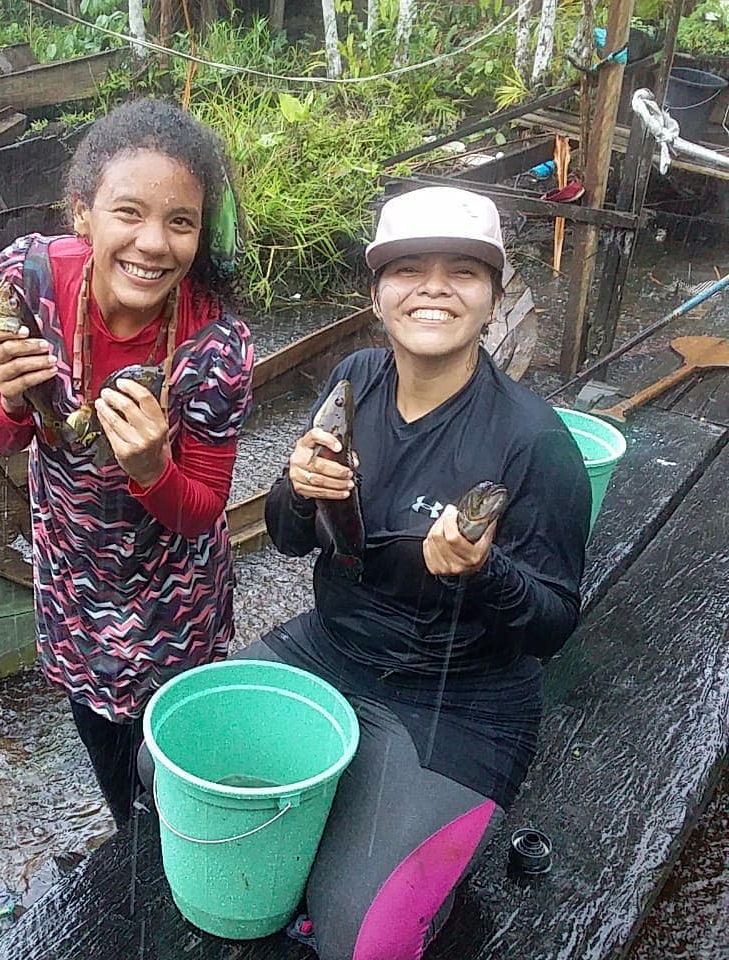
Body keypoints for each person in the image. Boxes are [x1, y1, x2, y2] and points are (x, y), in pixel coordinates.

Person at [249, 186, 591, 959]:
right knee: (157, 759)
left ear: (494, 298)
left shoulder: (536, 442)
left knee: (359, 942)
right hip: (332, 647)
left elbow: (555, 626)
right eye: (409, 269)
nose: (434, 286)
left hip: (461, 700)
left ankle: (403, 835)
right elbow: (286, 539)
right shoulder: (355, 380)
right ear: (377, 294)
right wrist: (297, 491)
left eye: (463, 271)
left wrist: (483, 572)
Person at [0, 98, 254, 830]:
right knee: (113, 771)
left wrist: (155, 468)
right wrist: (7, 400)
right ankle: (132, 841)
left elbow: (204, 510)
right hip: (76, 587)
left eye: (180, 222)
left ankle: (186, 847)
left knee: (182, 768)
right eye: (128, 212)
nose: (153, 244)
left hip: (178, 601)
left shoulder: (217, 349)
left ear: (199, 232)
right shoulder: (27, 283)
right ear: (83, 214)